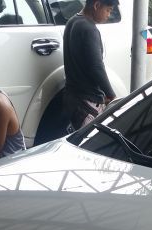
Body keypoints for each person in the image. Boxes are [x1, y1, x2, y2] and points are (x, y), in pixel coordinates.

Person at [62, 0, 118, 131]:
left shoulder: (72, 21)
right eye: (108, 10)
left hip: (71, 96)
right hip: (87, 101)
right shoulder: (89, 28)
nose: (108, 15)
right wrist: (111, 95)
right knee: (88, 145)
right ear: (97, 5)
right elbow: (96, 66)